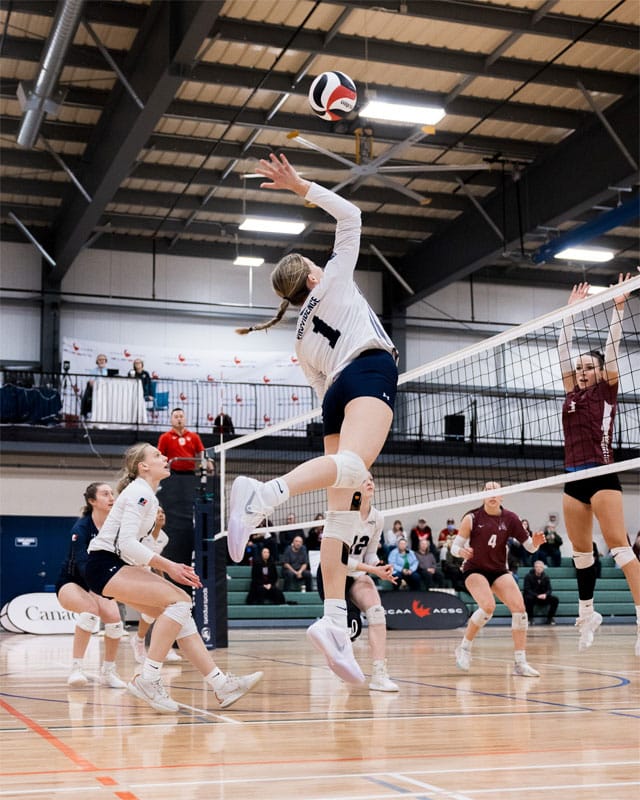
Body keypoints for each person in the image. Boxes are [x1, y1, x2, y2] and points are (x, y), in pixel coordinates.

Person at [227, 153, 398, 684]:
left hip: (334, 395)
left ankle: (329, 620)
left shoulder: (299, 337)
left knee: (341, 512)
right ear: (311, 274)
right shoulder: (334, 282)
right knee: (349, 469)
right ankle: (263, 495)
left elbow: (323, 390)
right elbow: (351, 217)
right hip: (368, 369)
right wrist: (301, 186)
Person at [85, 442, 262, 713]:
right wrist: (169, 567)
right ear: (143, 466)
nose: (164, 457)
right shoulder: (139, 493)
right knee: (179, 601)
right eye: (157, 455)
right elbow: (126, 544)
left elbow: (135, 548)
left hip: (114, 566)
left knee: (182, 615)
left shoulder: (148, 496)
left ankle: (220, 684)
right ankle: (149, 678)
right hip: (104, 564)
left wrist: (155, 565)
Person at [558, 276, 640, 655]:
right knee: (580, 553)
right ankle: (588, 613)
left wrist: (618, 309)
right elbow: (562, 351)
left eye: (588, 367)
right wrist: (569, 317)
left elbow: (612, 347)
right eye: (579, 368)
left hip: (602, 472)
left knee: (620, 549)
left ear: (600, 371)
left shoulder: (607, 390)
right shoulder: (570, 394)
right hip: (573, 477)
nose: (582, 371)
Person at [452, 481, 546, 676]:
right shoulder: (471, 518)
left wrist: (536, 544)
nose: (493, 494)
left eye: (497, 492)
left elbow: (529, 546)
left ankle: (520, 663)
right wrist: (461, 552)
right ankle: (464, 648)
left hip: (498, 570)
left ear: (503, 496)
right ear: (483, 495)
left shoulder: (511, 518)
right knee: (488, 607)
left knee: (520, 610)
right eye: (488, 491)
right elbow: (454, 548)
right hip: (474, 568)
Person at [316, 473, 399, 691]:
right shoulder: (343, 514)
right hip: (332, 572)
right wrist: (372, 570)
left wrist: (381, 566)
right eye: (364, 480)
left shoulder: (377, 517)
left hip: (357, 574)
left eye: (372, 478)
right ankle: (339, 662)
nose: (370, 481)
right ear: (354, 487)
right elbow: (341, 559)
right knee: (350, 628)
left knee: (377, 612)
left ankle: (379, 674)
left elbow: (369, 554)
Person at [55, 482, 127, 689]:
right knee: (89, 612)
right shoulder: (82, 528)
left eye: (112, 494)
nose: (111, 497)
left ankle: (108, 672)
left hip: (98, 582)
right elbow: (82, 562)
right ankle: (76, 668)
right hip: (72, 581)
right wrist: (105, 589)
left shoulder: (116, 527)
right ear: (92, 501)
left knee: (114, 621)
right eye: (105, 494)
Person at [157, 408, 214, 573]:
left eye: (181, 416)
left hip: (190, 476)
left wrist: (208, 463)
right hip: (173, 476)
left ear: (185, 418)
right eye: (176, 417)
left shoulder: (193, 436)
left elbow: (202, 452)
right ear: (171, 420)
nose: (179, 419)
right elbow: (160, 456)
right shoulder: (166, 437)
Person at [129, 506, 182, 664]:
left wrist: (164, 581)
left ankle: (142, 641)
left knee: (161, 610)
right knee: (157, 611)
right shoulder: (140, 536)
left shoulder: (164, 538)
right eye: (157, 513)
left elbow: (157, 562)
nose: (160, 515)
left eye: (162, 512)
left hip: (147, 576)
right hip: (130, 576)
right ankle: (144, 642)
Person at [523, 560, 559, 625]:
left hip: (543, 597)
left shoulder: (546, 577)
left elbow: (549, 589)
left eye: (540, 567)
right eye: (537, 567)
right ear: (534, 568)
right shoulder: (528, 576)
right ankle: (530, 618)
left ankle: (550, 619)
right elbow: (527, 589)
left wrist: (545, 594)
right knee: (528, 598)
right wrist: (537, 595)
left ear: (543, 568)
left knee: (555, 599)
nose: (539, 568)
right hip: (533, 597)